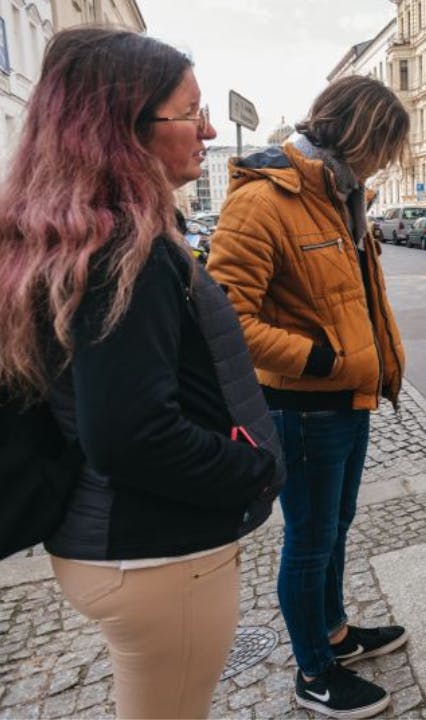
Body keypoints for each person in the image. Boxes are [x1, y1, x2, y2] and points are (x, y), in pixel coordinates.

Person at [0, 27, 282, 718]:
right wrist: (253, 471)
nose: (209, 129)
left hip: (115, 541)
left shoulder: (71, 237)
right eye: (190, 113)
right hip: (157, 553)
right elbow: (130, 431)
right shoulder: (126, 251)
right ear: (123, 126)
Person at [208, 76, 409, 719]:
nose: (386, 159)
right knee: (309, 539)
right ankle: (314, 673)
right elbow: (225, 317)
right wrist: (319, 359)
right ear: (358, 132)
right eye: (384, 144)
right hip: (299, 408)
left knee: (335, 527)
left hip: (346, 403)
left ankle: (335, 633)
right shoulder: (266, 199)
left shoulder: (339, 194)